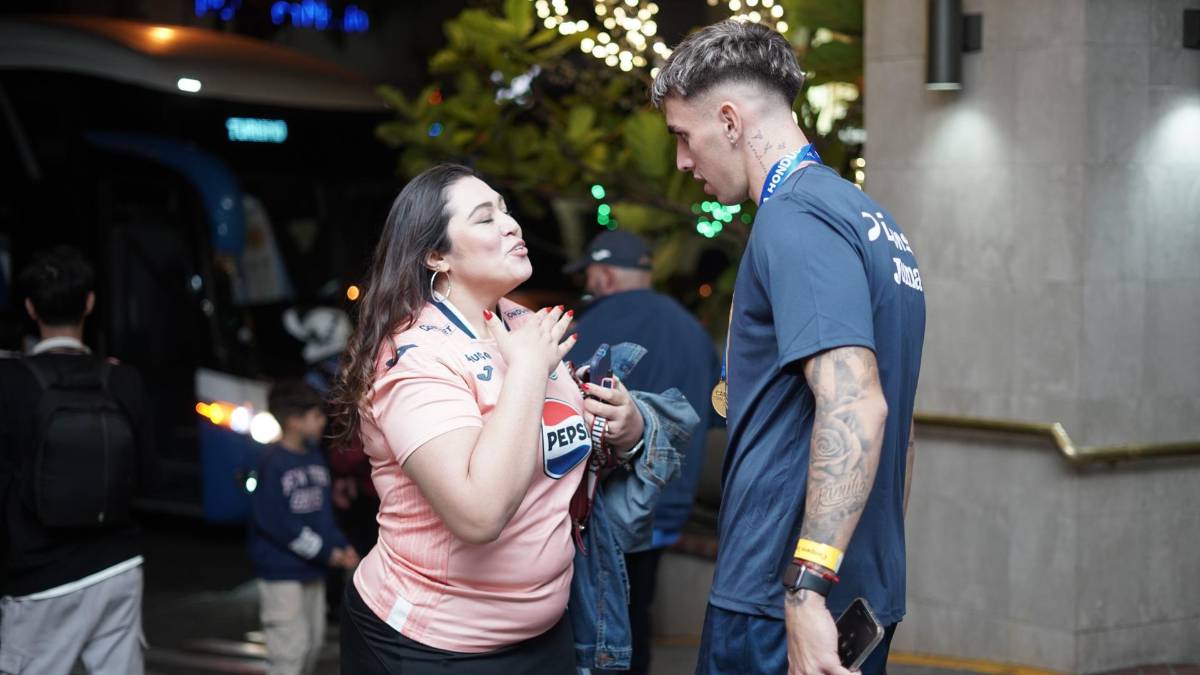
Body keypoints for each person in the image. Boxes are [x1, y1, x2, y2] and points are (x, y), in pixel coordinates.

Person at [651, 21, 927, 675]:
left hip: (780, 598)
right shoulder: (868, 217)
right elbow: (902, 430)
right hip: (858, 588)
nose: (684, 162)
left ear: (728, 120)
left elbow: (859, 407)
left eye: (683, 137)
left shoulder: (794, 217)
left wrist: (806, 588)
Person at [327, 163, 649, 674]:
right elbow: (478, 514)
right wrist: (526, 371)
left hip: (547, 634)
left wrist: (624, 430)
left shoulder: (522, 322)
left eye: (505, 209)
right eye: (484, 218)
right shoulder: (415, 356)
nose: (511, 224)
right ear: (437, 256)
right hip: (433, 647)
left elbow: (558, 447)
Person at [563, 229, 720, 675]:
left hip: (600, 516)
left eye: (590, 274)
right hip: (665, 509)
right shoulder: (693, 330)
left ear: (606, 275)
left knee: (592, 632)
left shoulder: (586, 328)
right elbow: (710, 418)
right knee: (636, 618)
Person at [0, 246, 158, 675]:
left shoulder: (11, 381)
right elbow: (147, 474)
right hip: (118, 564)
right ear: (90, 303)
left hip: (38, 573)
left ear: (31, 308)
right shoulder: (122, 379)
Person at [248, 379, 359, 675]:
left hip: (312, 569)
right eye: (317, 415)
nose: (323, 421)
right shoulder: (273, 462)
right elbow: (277, 523)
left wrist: (340, 544)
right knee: (289, 651)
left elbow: (322, 514)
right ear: (295, 421)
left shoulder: (314, 456)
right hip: (282, 571)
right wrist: (326, 552)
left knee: (311, 644)